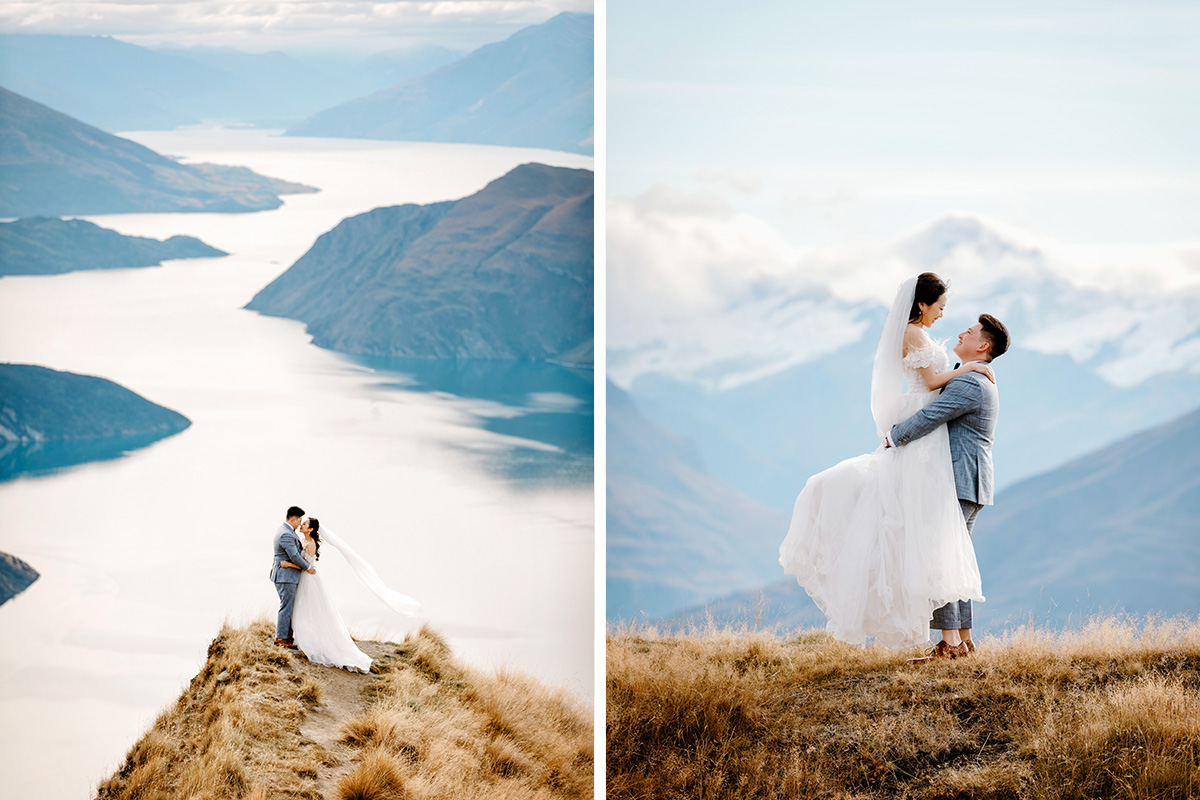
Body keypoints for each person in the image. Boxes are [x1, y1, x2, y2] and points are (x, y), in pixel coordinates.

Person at [778, 273, 991, 650]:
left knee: (939, 541)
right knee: (927, 537)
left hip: (931, 437)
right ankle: (951, 641)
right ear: (922, 304)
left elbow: (935, 381)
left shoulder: (919, 335)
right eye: (940, 307)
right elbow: (930, 378)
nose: (943, 315)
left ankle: (954, 641)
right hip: (921, 426)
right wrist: (968, 368)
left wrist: (964, 372)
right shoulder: (913, 334)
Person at [886, 312, 1008, 659]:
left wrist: (894, 437)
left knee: (941, 560)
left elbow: (930, 416)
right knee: (955, 561)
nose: (960, 332)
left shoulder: (971, 383)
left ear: (982, 346)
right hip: (969, 480)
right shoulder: (973, 377)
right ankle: (963, 641)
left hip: (958, 479)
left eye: (969, 332)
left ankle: (950, 645)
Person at [279, 516, 421, 672]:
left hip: (309, 579)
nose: (302, 525)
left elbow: (307, 566)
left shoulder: (310, 544)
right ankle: (302, 638)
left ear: (311, 529)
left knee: (311, 610)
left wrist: (288, 564)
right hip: (306, 578)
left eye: (305, 524)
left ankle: (310, 642)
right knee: (303, 609)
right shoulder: (303, 541)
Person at [270, 505, 314, 649]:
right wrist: (307, 567)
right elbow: (294, 555)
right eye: (299, 520)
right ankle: (281, 638)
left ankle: (287, 635)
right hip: (285, 576)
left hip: (287, 574)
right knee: (286, 606)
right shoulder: (286, 534)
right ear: (293, 519)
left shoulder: (286, 531)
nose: (300, 523)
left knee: (289, 605)